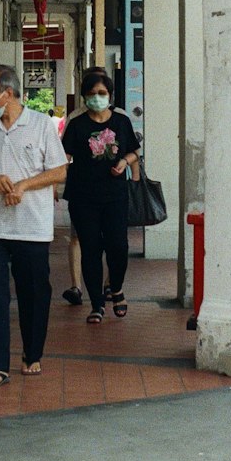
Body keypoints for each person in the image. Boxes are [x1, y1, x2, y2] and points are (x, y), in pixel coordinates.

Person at [0, 64, 67, 386]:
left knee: (34, 294)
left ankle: (32, 354)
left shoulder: (40, 126)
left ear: (8, 94)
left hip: (32, 227)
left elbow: (60, 171)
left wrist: (23, 186)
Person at [61, 68, 141, 324]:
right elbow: (64, 157)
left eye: (102, 93)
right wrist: (53, 182)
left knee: (118, 246)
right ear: (85, 96)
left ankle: (115, 288)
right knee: (91, 249)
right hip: (83, 196)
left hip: (115, 195)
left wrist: (124, 163)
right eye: (93, 93)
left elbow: (134, 152)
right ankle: (96, 303)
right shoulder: (77, 124)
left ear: (110, 95)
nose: (97, 97)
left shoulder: (121, 122)